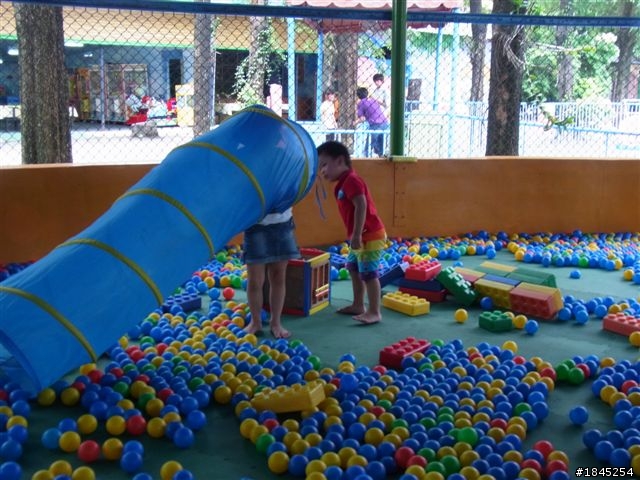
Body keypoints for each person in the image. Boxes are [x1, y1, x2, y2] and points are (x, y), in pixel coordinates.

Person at [317, 140, 386, 325]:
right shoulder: (343, 183)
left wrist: (356, 235)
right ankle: (358, 305)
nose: (322, 171)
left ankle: (374, 311)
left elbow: (361, 205)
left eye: (324, 165)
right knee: (354, 269)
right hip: (361, 235)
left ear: (340, 161)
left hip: (369, 234)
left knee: (369, 274)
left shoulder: (352, 180)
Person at [243, 207, 299, 339]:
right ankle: (255, 322)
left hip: (283, 223)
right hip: (256, 224)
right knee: (255, 280)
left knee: (278, 277)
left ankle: (276, 322)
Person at [355, 87, 389, 157]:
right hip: (384, 122)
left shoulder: (361, 102)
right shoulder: (373, 100)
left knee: (369, 143)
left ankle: (366, 158)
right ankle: (381, 156)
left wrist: (355, 123)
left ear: (358, 96)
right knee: (380, 143)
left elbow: (362, 118)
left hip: (375, 124)